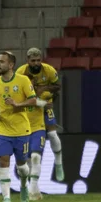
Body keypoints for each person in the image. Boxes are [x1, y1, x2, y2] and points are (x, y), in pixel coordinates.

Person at [0, 51, 48, 202]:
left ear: (11, 65)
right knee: (4, 161)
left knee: (22, 167)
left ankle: (23, 185)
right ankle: (6, 198)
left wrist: (17, 104)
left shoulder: (23, 80)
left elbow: (34, 100)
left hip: (21, 130)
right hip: (2, 129)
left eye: (1, 61)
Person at [17, 48, 64, 182]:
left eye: (38, 60)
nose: (36, 63)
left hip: (45, 105)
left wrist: (45, 90)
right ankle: (31, 178)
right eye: (33, 61)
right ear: (28, 61)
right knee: (26, 141)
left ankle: (58, 163)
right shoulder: (21, 72)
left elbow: (57, 86)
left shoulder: (48, 70)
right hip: (29, 107)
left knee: (52, 134)